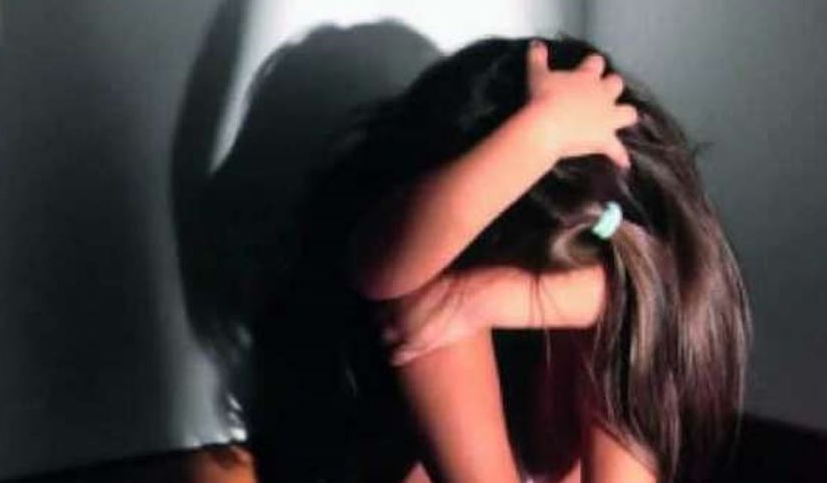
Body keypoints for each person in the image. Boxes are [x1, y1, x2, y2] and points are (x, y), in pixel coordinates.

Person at [246, 34, 751, 482]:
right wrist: (542, 133)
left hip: (579, 414)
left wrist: (486, 297)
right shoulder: (416, 293)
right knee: (426, 309)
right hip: (428, 448)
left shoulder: (648, 304)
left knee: (638, 321)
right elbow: (382, 270)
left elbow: (663, 294)